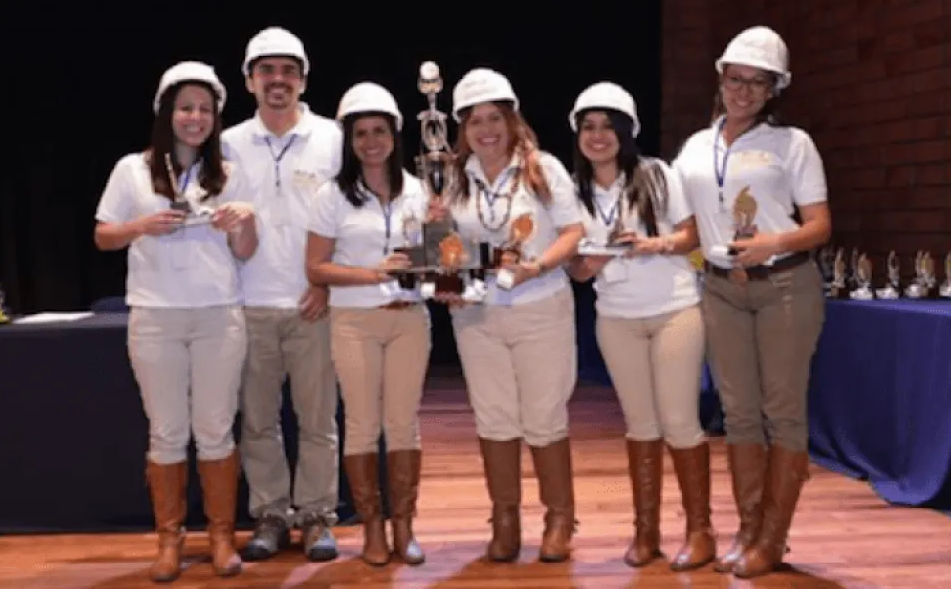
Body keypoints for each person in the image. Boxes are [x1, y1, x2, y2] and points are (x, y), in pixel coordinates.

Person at [673, 26, 830, 579]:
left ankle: (772, 538)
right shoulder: (696, 147)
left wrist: (772, 242)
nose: (743, 91)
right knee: (738, 414)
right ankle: (746, 530)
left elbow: (819, 227)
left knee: (782, 413)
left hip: (786, 284)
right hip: (721, 288)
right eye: (735, 79)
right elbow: (687, 228)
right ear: (720, 79)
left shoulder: (793, 144)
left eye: (756, 83)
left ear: (773, 90)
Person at [94, 61, 258, 581]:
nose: (195, 118)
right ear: (167, 113)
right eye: (186, 108)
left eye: (205, 110)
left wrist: (243, 222)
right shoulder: (132, 170)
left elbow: (247, 252)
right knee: (166, 431)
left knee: (215, 429)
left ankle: (221, 536)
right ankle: (169, 540)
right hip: (155, 315)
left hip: (218, 315)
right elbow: (103, 236)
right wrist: (140, 225)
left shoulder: (229, 172)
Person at [428, 68, 584, 563]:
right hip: (478, 317)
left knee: (543, 416)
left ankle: (560, 519)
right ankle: (505, 519)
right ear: (462, 127)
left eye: (495, 118)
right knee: (494, 417)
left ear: (512, 119)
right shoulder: (453, 175)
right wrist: (448, 286)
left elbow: (573, 232)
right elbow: (447, 247)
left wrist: (537, 266)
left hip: (541, 308)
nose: (486, 130)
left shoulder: (544, 168)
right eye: (475, 121)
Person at [564, 82, 714, 571]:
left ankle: (700, 530)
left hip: (674, 309)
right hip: (616, 318)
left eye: (608, 126)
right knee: (641, 425)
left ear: (626, 131)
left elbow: (693, 234)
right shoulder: (572, 190)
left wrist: (653, 244)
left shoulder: (657, 174)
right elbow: (579, 270)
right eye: (588, 126)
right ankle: (645, 531)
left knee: (679, 421)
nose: (598, 135)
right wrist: (587, 260)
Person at [220, 26, 343, 562]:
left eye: (288, 70)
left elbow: (351, 218)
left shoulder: (334, 138)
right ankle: (270, 515)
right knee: (258, 421)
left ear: (304, 79)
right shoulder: (225, 143)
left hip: (313, 303)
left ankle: (317, 517)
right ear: (249, 80)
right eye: (266, 70)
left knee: (318, 421)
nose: (278, 80)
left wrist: (326, 282)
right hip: (248, 305)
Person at [305, 82, 432, 567]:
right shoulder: (331, 196)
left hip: (409, 319)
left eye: (379, 131)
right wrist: (373, 272)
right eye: (361, 134)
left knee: (403, 425)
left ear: (395, 134)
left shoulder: (420, 189)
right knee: (361, 426)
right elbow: (316, 268)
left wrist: (438, 245)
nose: (371, 142)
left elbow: (434, 258)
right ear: (349, 140)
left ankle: (405, 527)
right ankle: (372, 530)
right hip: (354, 320)